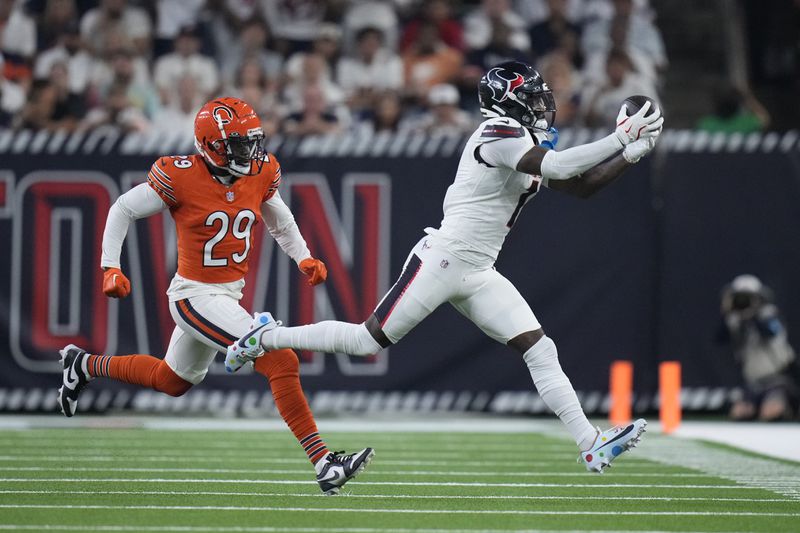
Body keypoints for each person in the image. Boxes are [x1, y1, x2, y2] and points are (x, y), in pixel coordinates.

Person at [227, 61, 663, 472]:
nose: (540, 105)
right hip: (444, 257)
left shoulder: (522, 139)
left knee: (539, 348)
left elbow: (581, 187)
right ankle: (264, 335)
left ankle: (590, 443)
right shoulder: (498, 132)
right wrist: (620, 138)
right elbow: (558, 165)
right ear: (509, 101)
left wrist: (632, 153)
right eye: (531, 97)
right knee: (367, 340)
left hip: (479, 270)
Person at [57, 97, 374, 495]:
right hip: (193, 295)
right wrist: (110, 266)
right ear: (213, 145)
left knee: (171, 380)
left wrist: (304, 256)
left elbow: (279, 218)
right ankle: (325, 463)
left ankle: (82, 364)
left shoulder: (260, 171)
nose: (250, 152)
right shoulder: (180, 175)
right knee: (280, 358)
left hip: (226, 296)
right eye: (240, 144)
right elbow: (123, 208)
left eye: (252, 142)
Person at [718, 275, 798, 421]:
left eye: (748, 297)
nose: (744, 302)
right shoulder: (735, 319)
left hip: (777, 379)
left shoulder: (770, 315)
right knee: (740, 412)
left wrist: (754, 314)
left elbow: (770, 332)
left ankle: (786, 407)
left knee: (771, 412)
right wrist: (727, 311)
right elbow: (719, 338)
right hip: (752, 383)